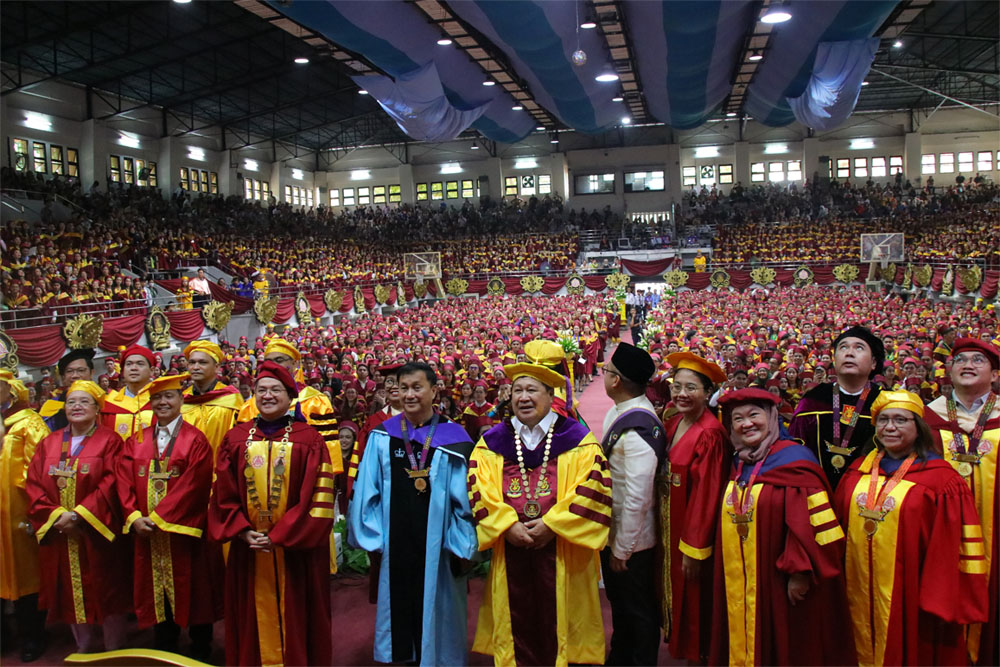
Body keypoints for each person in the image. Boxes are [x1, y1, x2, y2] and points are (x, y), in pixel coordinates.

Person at [469, 361, 610, 666]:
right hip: (512, 546)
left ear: (550, 395)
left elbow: (593, 489)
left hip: (563, 550)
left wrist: (553, 524)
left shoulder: (578, 440)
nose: (523, 397)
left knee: (565, 622)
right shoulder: (492, 443)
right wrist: (506, 525)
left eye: (532, 390)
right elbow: (480, 488)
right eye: (517, 390)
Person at [835, 390, 989, 665]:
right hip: (856, 587)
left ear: (918, 428)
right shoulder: (857, 471)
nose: (890, 427)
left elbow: (950, 550)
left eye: (900, 420)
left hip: (912, 593)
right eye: (883, 420)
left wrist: (935, 595)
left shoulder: (942, 481)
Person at [711, 388, 853, 666]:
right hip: (741, 573)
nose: (746, 424)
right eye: (737, 419)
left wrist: (799, 571)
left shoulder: (795, 461)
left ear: (773, 417)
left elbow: (811, 525)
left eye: (754, 415)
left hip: (779, 577)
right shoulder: (739, 461)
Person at [348, 362, 479, 666]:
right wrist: (375, 536)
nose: (408, 395)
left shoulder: (454, 439)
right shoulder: (383, 436)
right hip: (397, 542)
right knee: (400, 610)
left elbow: (466, 497)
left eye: (416, 387)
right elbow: (368, 489)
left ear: (434, 390)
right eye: (403, 388)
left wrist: (462, 541)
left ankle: (440, 658)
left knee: (441, 607)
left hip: (440, 544)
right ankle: (404, 655)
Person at [208, 361, 335, 666]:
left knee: (299, 612)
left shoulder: (310, 440)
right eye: (261, 390)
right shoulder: (235, 439)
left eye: (275, 390)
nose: (267, 396)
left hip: (296, 551)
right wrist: (241, 529)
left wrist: (280, 536)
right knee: (250, 615)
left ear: (290, 396)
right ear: (252, 397)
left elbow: (317, 500)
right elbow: (222, 492)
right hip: (248, 547)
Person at [117, 372, 222, 661]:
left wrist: (161, 519)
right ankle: (165, 644)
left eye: (169, 396)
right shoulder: (135, 440)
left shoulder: (195, 439)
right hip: (146, 533)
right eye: (157, 397)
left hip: (185, 532)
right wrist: (135, 516)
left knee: (196, 587)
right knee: (156, 589)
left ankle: (201, 647)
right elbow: (123, 479)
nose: (162, 402)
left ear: (181, 399)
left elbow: (195, 483)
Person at [26, 380, 131, 653]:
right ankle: (83, 647)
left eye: (85, 401)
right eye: (72, 402)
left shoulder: (111, 441)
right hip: (61, 533)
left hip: (95, 531)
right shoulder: (49, 442)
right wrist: (58, 516)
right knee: (70, 592)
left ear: (98, 408)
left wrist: (80, 515)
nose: (77, 407)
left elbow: (112, 481)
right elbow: (34, 483)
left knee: (106, 588)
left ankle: (114, 649)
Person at [923, 338, 1000, 665]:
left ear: (995, 374)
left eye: (978, 360)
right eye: (960, 360)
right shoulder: (926, 418)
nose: (968, 365)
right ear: (949, 371)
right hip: (943, 530)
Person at [660, 351, 729, 663]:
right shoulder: (676, 423)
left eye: (691, 388)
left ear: (709, 393)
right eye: (677, 386)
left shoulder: (710, 434)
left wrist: (695, 548)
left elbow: (707, 496)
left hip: (691, 537)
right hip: (670, 525)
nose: (681, 394)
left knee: (697, 601)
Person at [600, 343, 666, 665]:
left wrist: (622, 548)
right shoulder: (619, 411)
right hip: (617, 533)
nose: (603, 376)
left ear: (616, 381)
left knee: (638, 611)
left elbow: (639, 497)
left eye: (606, 371)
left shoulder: (638, 426)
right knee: (622, 606)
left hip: (633, 542)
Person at [790, 325, 884, 488]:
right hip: (815, 492)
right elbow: (794, 451)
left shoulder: (885, 403)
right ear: (835, 359)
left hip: (867, 493)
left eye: (859, 348)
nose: (849, 353)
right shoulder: (813, 400)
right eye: (843, 347)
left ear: (874, 362)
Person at [1, 370, 51, 662]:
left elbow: (38, 470)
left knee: (25, 575)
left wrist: (38, 511)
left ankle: (33, 635)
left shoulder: (27, 423)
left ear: (12, 390)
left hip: (16, 515)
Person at [180, 340, 243, 461]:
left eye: (202, 362)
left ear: (217, 367)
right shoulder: (182, 400)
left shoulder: (231, 398)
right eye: (192, 362)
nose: (196, 367)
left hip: (223, 470)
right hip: (190, 471)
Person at [101, 344, 154, 441]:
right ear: (123, 371)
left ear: (152, 371)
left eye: (140, 364)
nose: (133, 368)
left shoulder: (160, 402)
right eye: (129, 364)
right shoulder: (108, 404)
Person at [40, 349, 95, 431]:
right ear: (63, 378)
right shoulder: (52, 406)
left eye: (81, 370)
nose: (75, 376)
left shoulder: (108, 400)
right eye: (70, 371)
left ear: (92, 373)